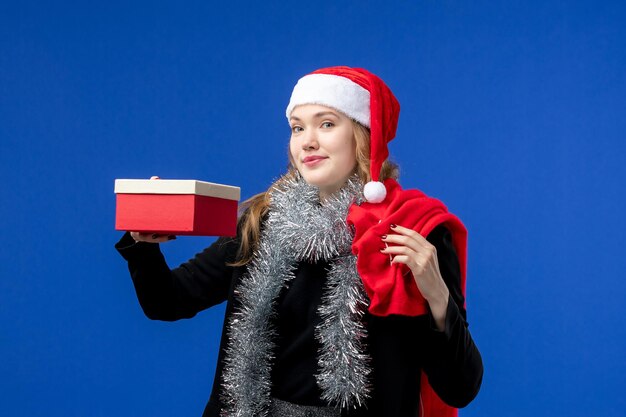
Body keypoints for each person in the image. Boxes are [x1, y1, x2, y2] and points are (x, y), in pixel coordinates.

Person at [116, 66, 483, 417]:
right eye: (297, 128)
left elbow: (460, 387)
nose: (307, 142)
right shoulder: (264, 222)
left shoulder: (413, 231)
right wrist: (144, 245)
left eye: (326, 124)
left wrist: (438, 297)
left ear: (363, 134)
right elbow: (167, 301)